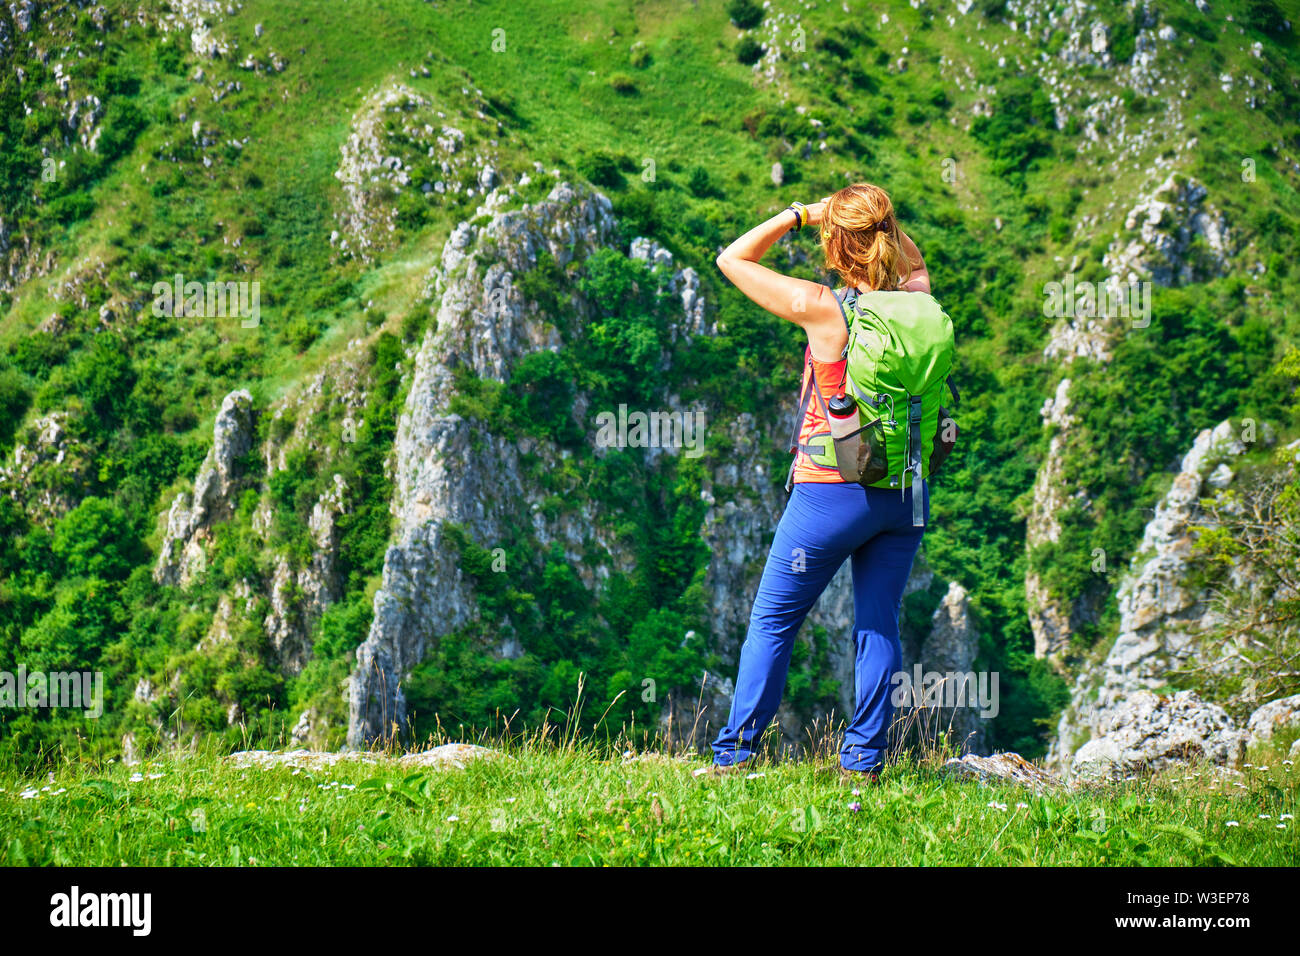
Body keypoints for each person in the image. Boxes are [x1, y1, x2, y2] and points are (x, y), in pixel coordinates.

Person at [710, 183, 932, 779]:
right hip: (907, 491)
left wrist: (798, 214)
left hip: (834, 491)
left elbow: (731, 259)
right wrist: (880, 221)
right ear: (886, 237)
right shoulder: (919, 302)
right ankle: (862, 763)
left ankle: (735, 755)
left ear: (835, 245)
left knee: (773, 620)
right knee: (878, 622)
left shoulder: (820, 305)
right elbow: (914, 263)